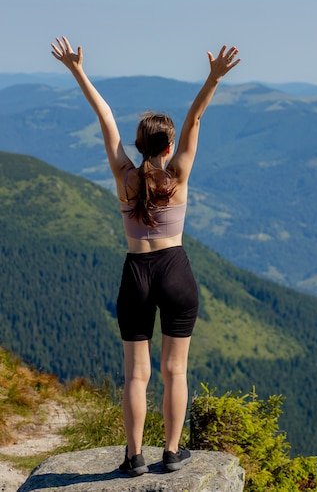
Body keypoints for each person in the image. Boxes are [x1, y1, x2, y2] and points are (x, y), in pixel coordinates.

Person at [51, 36, 240, 476]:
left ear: (138, 145)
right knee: (176, 370)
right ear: (169, 147)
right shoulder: (176, 176)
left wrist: (77, 70)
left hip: (136, 272)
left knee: (137, 374)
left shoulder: (124, 178)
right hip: (175, 271)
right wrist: (213, 77)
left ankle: (134, 457)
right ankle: (172, 454)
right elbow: (195, 118)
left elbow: (105, 116)